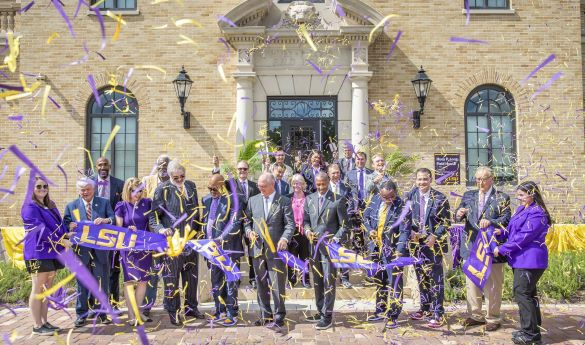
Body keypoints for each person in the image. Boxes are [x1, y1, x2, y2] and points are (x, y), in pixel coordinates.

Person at [494, 181, 551, 345]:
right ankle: (532, 329)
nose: (518, 198)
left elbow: (525, 236)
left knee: (522, 293)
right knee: (529, 294)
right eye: (517, 195)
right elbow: (514, 230)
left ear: (531, 194)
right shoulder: (521, 209)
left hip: (531, 260)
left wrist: (503, 249)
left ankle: (531, 335)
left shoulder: (538, 213)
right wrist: (501, 232)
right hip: (521, 259)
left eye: (521, 195)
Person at [455, 166, 511, 332]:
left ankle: (493, 317)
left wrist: (490, 222)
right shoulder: (468, 195)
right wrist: (459, 213)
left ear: (491, 179)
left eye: (483, 179)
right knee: (472, 282)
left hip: (491, 248)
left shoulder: (502, 197)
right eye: (477, 179)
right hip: (471, 245)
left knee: (492, 283)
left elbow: (506, 219)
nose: (480, 182)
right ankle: (476, 315)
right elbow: (457, 214)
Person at [149, 159, 204, 325]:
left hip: (191, 241)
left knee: (191, 277)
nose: (180, 180)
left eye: (182, 176)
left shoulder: (191, 186)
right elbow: (153, 216)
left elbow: (196, 211)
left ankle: (191, 307)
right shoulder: (162, 189)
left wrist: (199, 231)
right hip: (172, 242)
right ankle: (173, 310)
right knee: (171, 278)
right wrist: (160, 229)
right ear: (170, 175)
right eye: (176, 177)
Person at [244, 173, 295, 328]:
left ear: (272, 185)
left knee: (277, 283)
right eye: (259, 185)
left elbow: (290, 224)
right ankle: (265, 314)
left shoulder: (284, 201)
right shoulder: (253, 200)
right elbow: (246, 221)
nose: (260, 188)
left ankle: (279, 315)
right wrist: (249, 232)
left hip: (276, 250)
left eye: (263, 186)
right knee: (260, 284)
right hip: (258, 250)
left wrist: (285, 238)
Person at [63, 177, 115, 327]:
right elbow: (65, 224)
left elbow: (112, 219)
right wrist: (70, 226)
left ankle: (103, 313)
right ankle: (82, 314)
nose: (85, 192)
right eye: (82, 190)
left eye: (88, 189)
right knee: (82, 283)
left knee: (102, 282)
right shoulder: (72, 206)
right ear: (78, 191)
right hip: (81, 252)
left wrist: (105, 221)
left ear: (94, 189)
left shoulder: (104, 202)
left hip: (100, 250)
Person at [404, 168, 451, 328]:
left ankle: (438, 313)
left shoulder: (440, 197)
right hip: (416, 244)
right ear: (415, 180)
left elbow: (446, 222)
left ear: (430, 180)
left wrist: (434, 236)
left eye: (425, 179)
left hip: (434, 245)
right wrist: (410, 231)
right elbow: (404, 218)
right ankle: (425, 308)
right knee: (421, 277)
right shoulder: (410, 196)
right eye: (419, 179)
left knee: (436, 278)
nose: (422, 182)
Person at [22, 177, 67, 335]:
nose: (42, 189)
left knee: (47, 289)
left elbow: (58, 226)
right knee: (38, 288)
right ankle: (36, 325)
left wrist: (67, 234)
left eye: (45, 186)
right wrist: (60, 240)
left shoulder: (50, 205)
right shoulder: (29, 206)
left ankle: (44, 322)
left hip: (51, 252)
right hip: (36, 253)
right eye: (38, 186)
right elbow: (40, 229)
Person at [303, 172, 348, 330]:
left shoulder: (338, 199)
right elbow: (306, 221)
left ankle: (327, 315)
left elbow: (344, 225)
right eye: (318, 184)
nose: (321, 187)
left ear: (328, 182)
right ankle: (320, 310)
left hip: (329, 249)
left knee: (329, 280)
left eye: (323, 184)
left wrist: (335, 240)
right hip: (314, 248)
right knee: (317, 280)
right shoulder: (309, 199)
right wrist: (307, 230)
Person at [362, 180, 410, 329]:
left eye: (391, 197)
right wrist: (369, 229)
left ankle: (393, 315)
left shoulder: (402, 206)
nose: (388, 200)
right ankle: (381, 310)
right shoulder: (375, 199)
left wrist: (399, 250)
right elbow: (366, 217)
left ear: (395, 193)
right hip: (376, 249)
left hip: (393, 251)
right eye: (385, 197)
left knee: (394, 283)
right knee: (379, 281)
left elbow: (405, 231)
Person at [202, 174, 244, 327]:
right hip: (211, 249)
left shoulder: (233, 200)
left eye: (214, 188)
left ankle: (232, 313)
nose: (211, 191)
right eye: (209, 188)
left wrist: (221, 238)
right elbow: (205, 221)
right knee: (216, 281)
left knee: (231, 282)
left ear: (222, 186)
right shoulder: (206, 200)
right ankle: (220, 311)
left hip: (229, 248)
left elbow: (235, 222)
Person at [114, 178, 153, 326]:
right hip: (128, 250)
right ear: (128, 191)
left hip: (144, 248)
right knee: (130, 282)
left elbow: (152, 223)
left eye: (140, 191)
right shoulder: (121, 206)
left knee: (143, 281)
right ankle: (131, 314)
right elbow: (118, 229)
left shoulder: (147, 203)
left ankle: (139, 311)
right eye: (134, 191)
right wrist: (127, 230)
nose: (137, 194)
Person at [92, 157, 125, 311]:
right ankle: (93, 304)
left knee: (113, 268)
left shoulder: (119, 184)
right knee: (93, 269)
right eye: (100, 165)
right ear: (96, 167)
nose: (103, 167)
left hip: (113, 233)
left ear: (110, 167)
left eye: (105, 164)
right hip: (93, 234)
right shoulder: (89, 183)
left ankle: (114, 303)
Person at [140, 154, 171, 317]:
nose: (163, 166)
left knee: (169, 271)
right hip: (152, 236)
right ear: (156, 165)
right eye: (160, 163)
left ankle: (169, 302)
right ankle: (147, 306)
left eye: (167, 163)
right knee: (152, 272)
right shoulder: (147, 181)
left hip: (171, 236)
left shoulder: (174, 182)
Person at [328, 163, 352, 289]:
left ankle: (345, 278)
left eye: (337, 172)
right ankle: (331, 278)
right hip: (329, 225)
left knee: (344, 251)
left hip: (343, 224)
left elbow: (352, 203)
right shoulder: (324, 187)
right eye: (333, 173)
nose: (336, 175)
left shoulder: (346, 187)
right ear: (328, 174)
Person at [287, 174, 311, 288]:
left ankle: (305, 279)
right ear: (292, 184)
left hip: (306, 230)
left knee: (305, 256)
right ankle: (291, 280)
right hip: (292, 231)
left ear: (303, 184)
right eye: (295, 183)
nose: (297, 185)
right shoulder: (288, 197)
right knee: (291, 256)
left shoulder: (310, 197)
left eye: (299, 183)